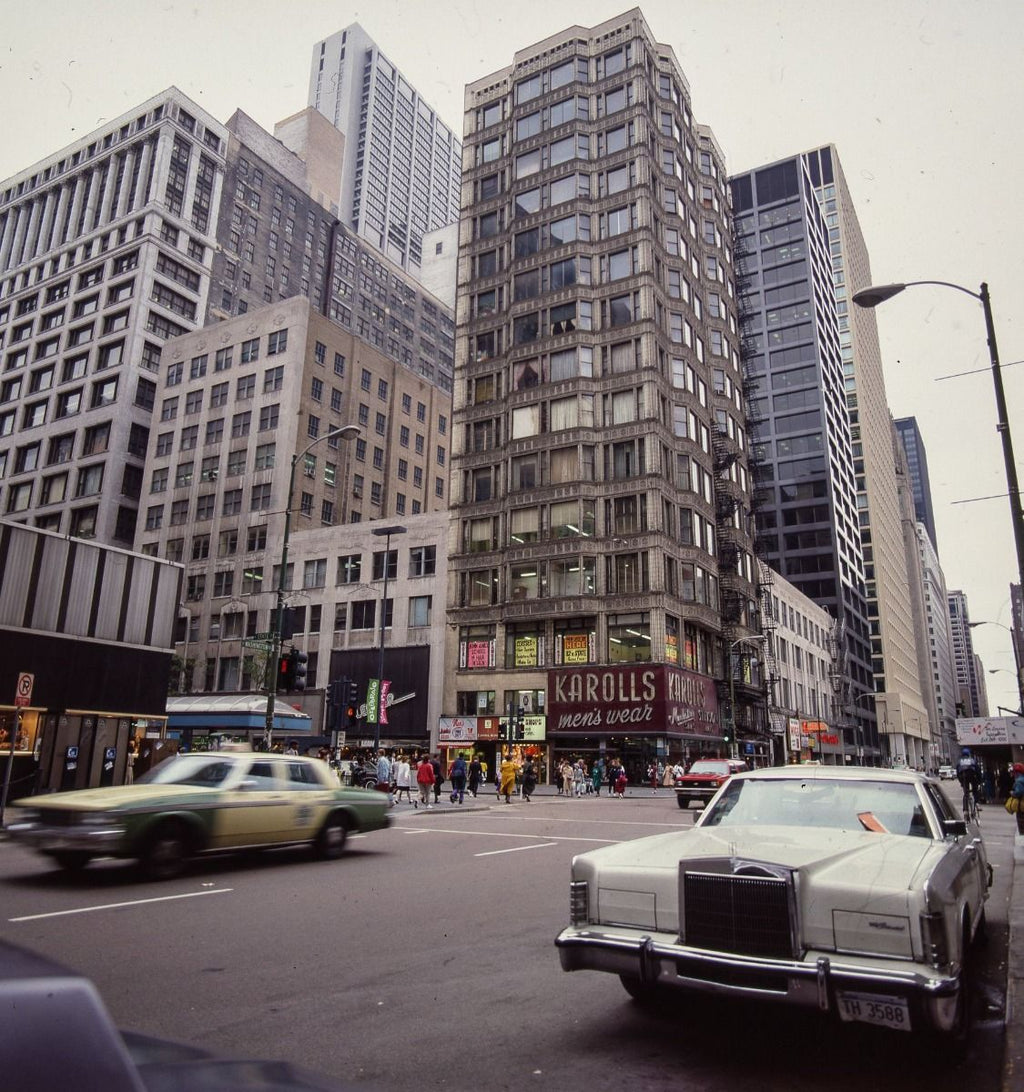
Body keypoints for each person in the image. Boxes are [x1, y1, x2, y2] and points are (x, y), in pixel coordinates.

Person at [956, 748, 981, 812]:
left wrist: (961, 782)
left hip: (963, 777)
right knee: (975, 790)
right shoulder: (972, 760)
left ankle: (965, 810)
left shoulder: (960, 761)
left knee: (966, 794)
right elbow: (978, 770)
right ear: (968, 754)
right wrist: (979, 780)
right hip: (972, 776)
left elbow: (957, 772)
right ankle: (977, 803)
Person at [1011, 763, 1024, 836]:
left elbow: (1019, 792)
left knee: (1022, 825)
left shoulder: (1019, 781)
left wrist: (1013, 793)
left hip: (1021, 807)